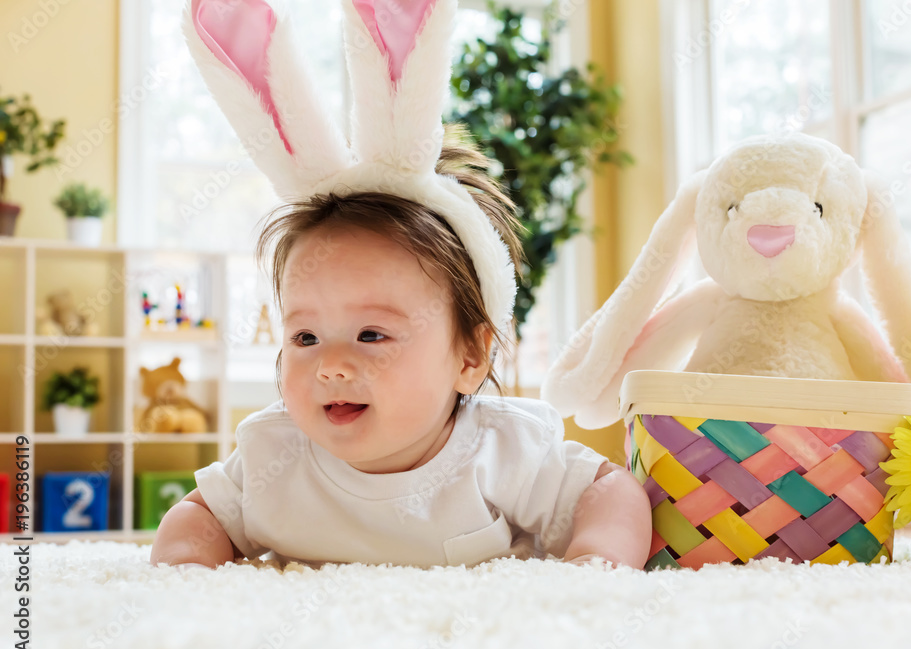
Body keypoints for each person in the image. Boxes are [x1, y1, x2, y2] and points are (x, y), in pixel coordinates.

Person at [150, 0, 650, 569]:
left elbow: (610, 493)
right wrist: (187, 570)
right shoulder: (274, 454)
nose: (330, 365)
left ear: (470, 355)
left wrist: (597, 561)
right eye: (306, 338)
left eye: (371, 335)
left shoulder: (500, 451)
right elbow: (198, 516)